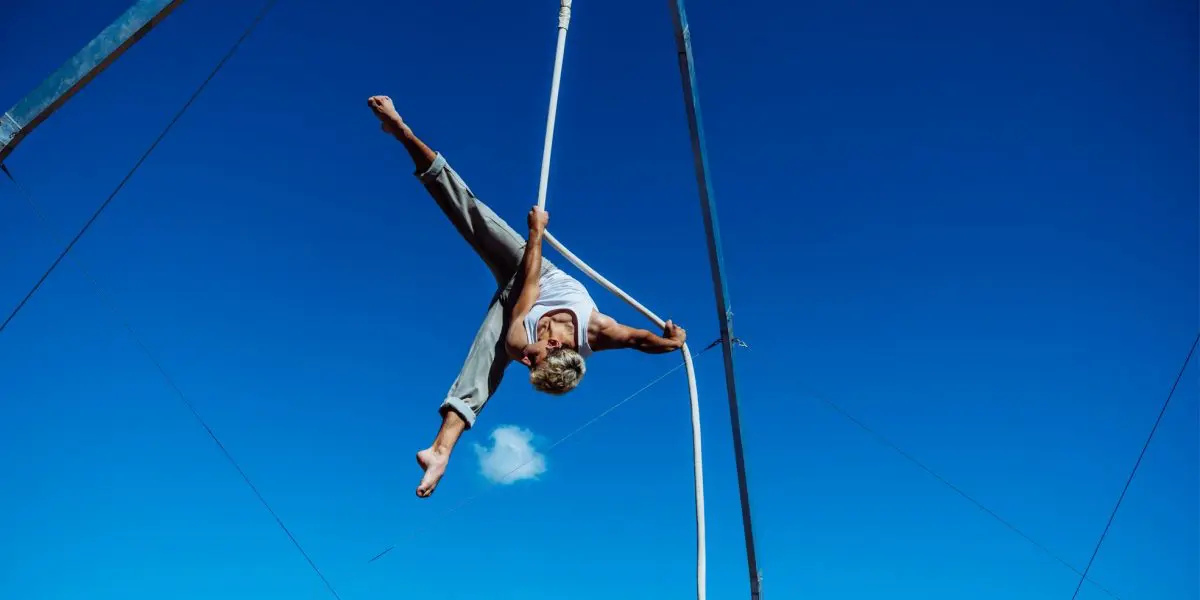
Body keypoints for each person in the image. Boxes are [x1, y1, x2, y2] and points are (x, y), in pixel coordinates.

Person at [367, 95, 688, 498]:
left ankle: (440, 450)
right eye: (532, 360)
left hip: (517, 304)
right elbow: (637, 338)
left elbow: (521, 310)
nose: (523, 359)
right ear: (552, 344)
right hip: (530, 271)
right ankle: (403, 132)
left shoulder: (521, 342)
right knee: (472, 214)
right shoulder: (598, 331)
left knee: (485, 363)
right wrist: (671, 342)